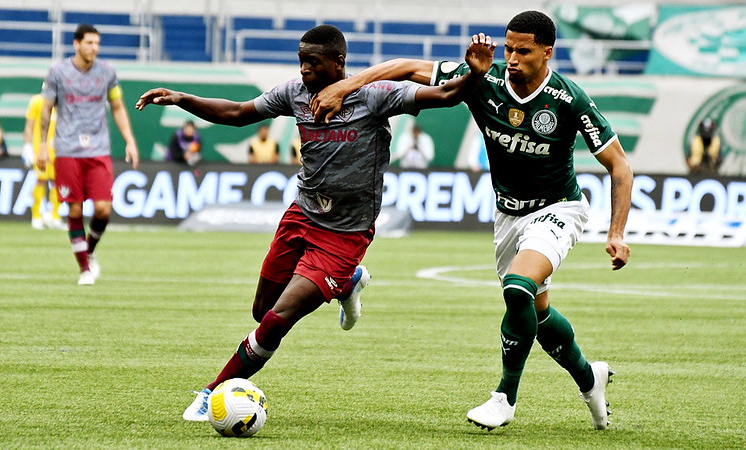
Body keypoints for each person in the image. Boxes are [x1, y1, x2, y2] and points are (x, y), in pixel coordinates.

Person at [136, 24, 494, 422]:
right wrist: (183, 98)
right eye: (301, 60)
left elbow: (443, 94)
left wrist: (475, 74)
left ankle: (211, 392)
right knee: (263, 311)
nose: (304, 69)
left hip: (344, 234)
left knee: (277, 320)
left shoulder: (375, 96)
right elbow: (238, 114)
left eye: (313, 61)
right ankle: (349, 281)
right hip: (301, 216)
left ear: (338, 63)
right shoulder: (296, 93)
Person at [312, 10, 632, 431]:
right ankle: (591, 379)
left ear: (547, 52)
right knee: (537, 313)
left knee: (518, 289)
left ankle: (504, 397)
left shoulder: (569, 99)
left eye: (524, 50)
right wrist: (345, 85)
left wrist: (616, 232)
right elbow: (406, 67)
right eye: (509, 48)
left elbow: (620, 166)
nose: (512, 57)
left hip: (559, 209)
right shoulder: (483, 78)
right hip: (508, 215)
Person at [38, 23, 139, 286]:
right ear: (76, 44)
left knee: (103, 209)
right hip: (67, 149)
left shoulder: (107, 73)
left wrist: (129, 139)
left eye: (97, 43)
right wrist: (40, 145)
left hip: (98, 149)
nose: (94, 48)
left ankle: (89, 250)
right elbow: (46, 109)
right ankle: (84, 269)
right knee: (74, 207)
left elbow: (117, 106)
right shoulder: (58, 72)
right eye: (89, 43)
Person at [24, 88, 65, 230]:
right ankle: (36, 215)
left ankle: (54, 215)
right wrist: (27, 145)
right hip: (40, 149)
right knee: (40, 180)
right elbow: (29, 125)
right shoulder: (37, 101)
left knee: (58, 182)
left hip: (58, 150)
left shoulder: (63, 103)